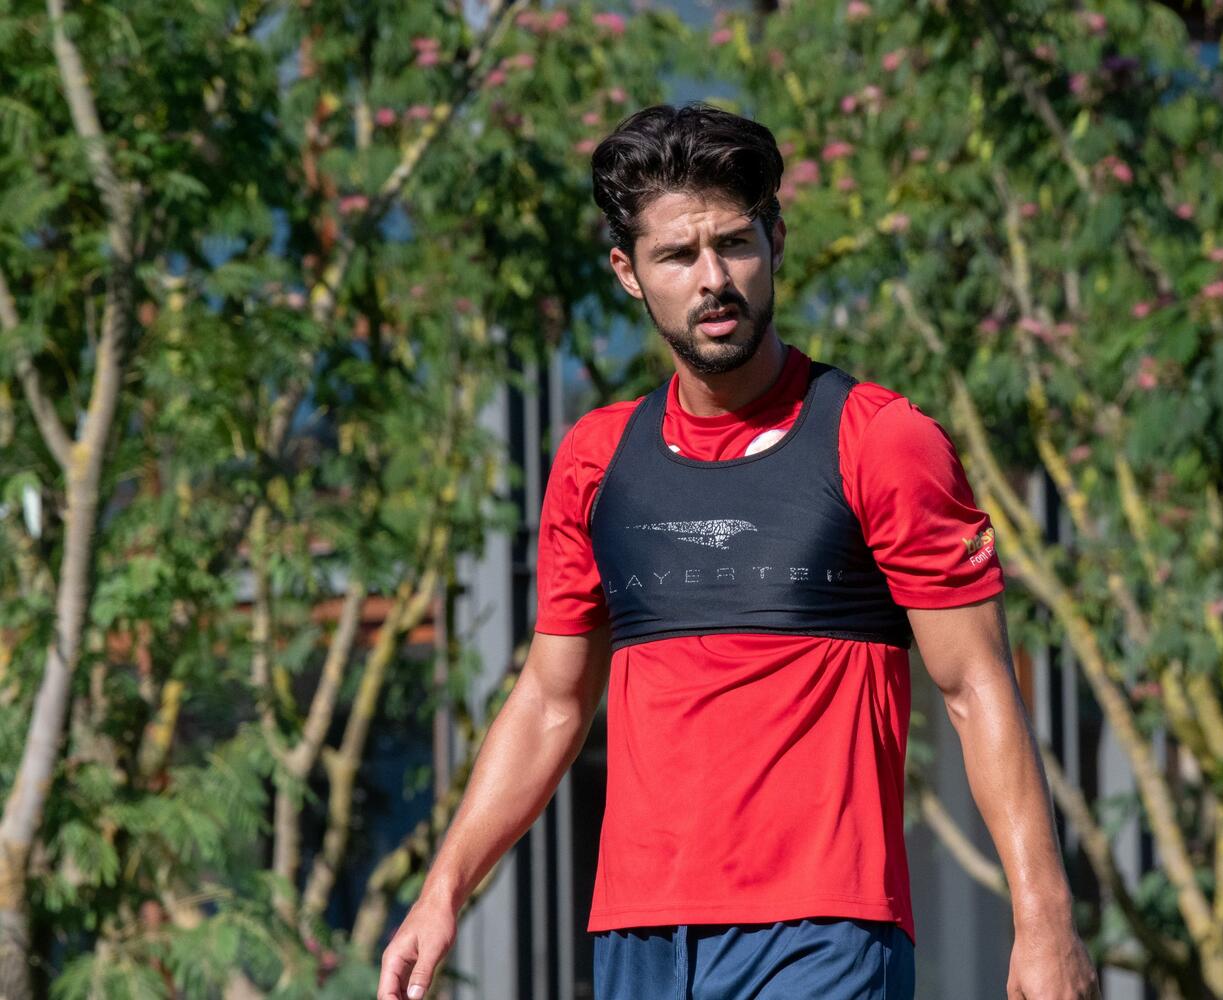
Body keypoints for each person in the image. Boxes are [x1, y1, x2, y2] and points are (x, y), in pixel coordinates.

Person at [379, 102, 1099, 1000]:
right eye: (678, 256)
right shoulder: (597, 461)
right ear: (629, 273)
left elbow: (977, 687)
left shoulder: (881, 441)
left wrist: (1045, 918)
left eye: (734, 244)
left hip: (824, 933)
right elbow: (552, 701)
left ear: (776, 241)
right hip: (637, 936)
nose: (713, 279)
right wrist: (443, 890)